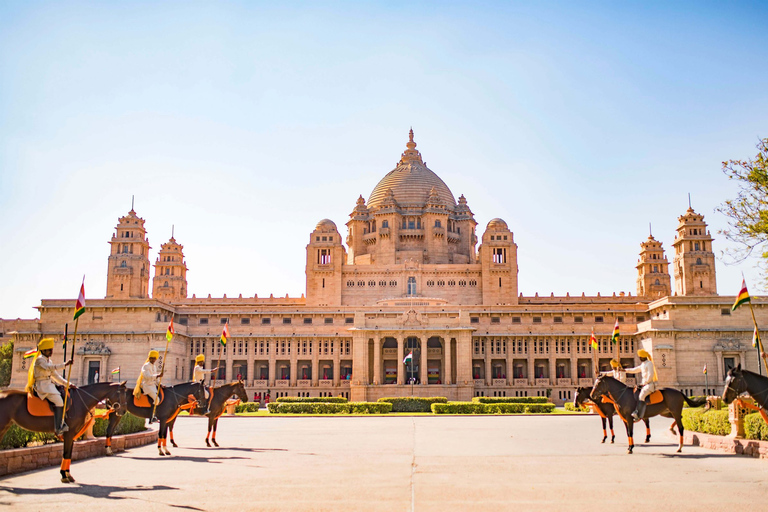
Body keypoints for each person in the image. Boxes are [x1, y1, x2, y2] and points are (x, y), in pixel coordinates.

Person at [26, 338, 73, 436]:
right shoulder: (39, 360)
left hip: (49, 384)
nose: (51, 352)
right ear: (43, 351)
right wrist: (65, 364)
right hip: (42, 386)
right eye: (49, 350)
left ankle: (62, 421)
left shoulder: (49, 361)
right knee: (59, 401)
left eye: (51, 349)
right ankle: (58, 427)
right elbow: (48, 368)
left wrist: (67, 384)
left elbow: (55, 376)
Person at [626, 349, 658, 420]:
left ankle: (638, 414)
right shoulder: (643, 365)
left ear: (643, 357)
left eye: (640, 357)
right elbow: (635, 370)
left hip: (649, 385)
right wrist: (625, 370)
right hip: (643, 385)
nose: (639, 358)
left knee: (641, 395)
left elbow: (650, 375)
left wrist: (644, 383)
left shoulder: (649, 363)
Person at [134, 350, 163, 423]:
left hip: (153, 385)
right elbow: (147, 376)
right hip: (147, 386)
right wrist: (157, 375)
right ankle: (152, 417)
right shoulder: (146, 366)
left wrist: (160, 383)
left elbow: (155, 379)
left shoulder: (154, 366)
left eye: (154, 358)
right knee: (156, 399)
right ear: (149, 358)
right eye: (151, 358)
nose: (153, 360)